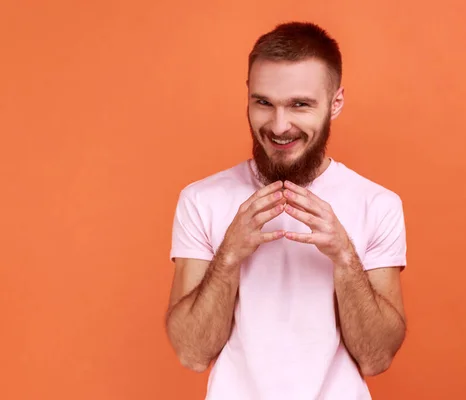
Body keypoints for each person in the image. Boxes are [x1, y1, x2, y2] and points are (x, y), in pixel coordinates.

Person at [165, 21, 408, 400]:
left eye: (300, 105)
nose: (279, 126)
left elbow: (376, 358)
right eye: (264, 102)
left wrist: (344, 256)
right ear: (247, 95)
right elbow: (192, 354)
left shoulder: (378, 205)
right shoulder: (201, 200)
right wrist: (228, 255)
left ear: (335, 103)